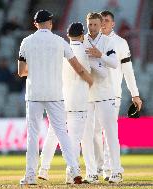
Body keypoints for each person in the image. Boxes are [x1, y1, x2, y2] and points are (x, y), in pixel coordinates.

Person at [18, 10, 93, 185]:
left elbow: (22, 72)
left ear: (35, 24)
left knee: (33, 135)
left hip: (34, 93)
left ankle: (30, 176)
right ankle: (74, 170)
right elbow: (78, 67)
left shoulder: (26, 42)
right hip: (55, 93)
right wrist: (90, 81)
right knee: (62, 133)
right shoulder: (60, 42)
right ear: (50, 23)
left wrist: (36, 70)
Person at [37, 22, 107, 184]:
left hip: (59, 99)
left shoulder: (60, 51)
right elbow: (102, 73)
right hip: (79, 102)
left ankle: (43, 169)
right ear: (82, 35)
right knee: (74, 139)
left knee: (52, 135)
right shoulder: (86, 52)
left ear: (68, 35)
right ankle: (70, 174)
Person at [91, 10, 142, 181]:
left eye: (106, 21)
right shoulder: (91, 41)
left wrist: (135, 94)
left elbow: (128, 71)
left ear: (113, 24)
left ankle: (113, 169)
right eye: (101, 20)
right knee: (95, 133)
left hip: (113, 94)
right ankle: (100, 168)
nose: (103, 23)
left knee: (109, 132)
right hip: (93, 94)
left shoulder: (120, 43)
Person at [81, 12, 123, 184]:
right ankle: (91, 173)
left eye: (95, 24)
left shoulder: (107, 41)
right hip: (87, 95)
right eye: (90, 24)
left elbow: (113, 63)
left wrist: (99, 56)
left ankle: (116, 171)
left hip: (106, 94)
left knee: (110, 133)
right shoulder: (82, 40)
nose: (92, 28)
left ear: (101, 25)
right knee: (87, 135)